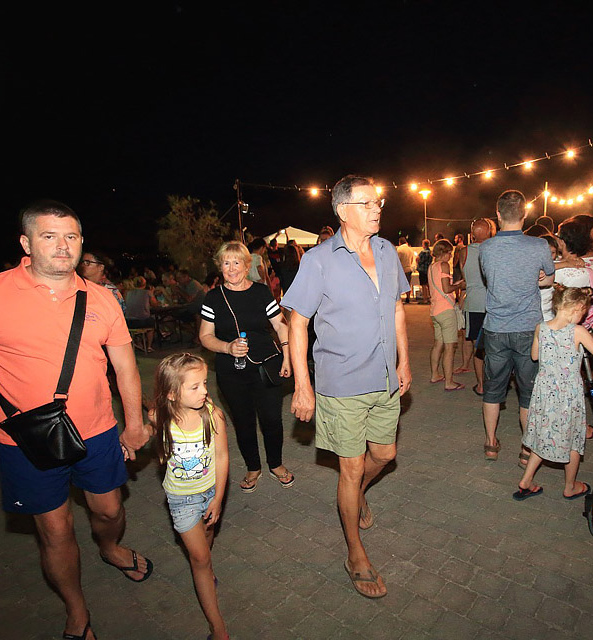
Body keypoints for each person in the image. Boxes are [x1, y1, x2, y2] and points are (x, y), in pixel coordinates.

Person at [0, 200, 152, 640]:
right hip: (27, 439)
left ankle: (109, 547)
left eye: (71, 236)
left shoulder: (101, 298)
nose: (62, 246)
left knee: (110, 510)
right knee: (55, 531)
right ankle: (76, 609)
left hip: (98, 431)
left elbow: (125, 367)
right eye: (49, 236)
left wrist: (134, 423)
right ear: (26, 243)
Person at [282, 175, 411, 599]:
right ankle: (355, 553)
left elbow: (396, 308)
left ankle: (356, 495)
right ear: (342, 211)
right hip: (341, 383)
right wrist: (303, 386)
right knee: (350, 468)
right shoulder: (318, 260)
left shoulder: (387, 251)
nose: (377, 209)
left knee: (385, 455)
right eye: (366, 203)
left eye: (379, 202)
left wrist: (405, 361)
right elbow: (297, 324)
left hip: (385, 378)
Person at [199, 241, 293, 493]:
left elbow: (280, 324)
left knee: (272, 419)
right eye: (226, 263)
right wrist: (227, 347)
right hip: (231, 371)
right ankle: (253, 467)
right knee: (243, 421)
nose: (231, 268)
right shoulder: (213, 298)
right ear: (220, 266)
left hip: (265, 367)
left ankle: (276, 464)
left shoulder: (261, 292)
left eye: (236, 262)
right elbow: (205, 336)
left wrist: (287, 356)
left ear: (246, 265)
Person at [149, 353, 229, 640]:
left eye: (204, 383)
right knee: (200, 559)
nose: (204, 391)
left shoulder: (213, 415)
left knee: (206, 544)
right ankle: (218, 628)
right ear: (172, 393)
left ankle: (206, 570)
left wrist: (218, 499)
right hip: (181, 500)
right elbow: (153, 438)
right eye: (195, 387)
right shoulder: (159, 418)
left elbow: (222, 457)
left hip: (210, 494)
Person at [514, 285, 593, 500]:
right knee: (573, 439)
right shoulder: (578, 331)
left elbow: (534, 356)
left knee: (542, 434)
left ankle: (526, 480)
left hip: (544, 392)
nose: (583, 317)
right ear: (576, 308)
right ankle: (570, 486)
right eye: (583, 313)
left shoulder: (541, 327)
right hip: (567, 395)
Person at [478, 190, 555, 463]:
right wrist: (538, 277)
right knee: (529, 391)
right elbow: (548, 280)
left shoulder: (486, 248)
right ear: (525, 215)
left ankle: (490, 443)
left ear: (498, 215)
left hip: (496, 328)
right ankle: (526, 449)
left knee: (493, 389)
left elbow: (490, 278)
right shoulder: (539, 245)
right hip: (528, 328)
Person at [460, 218, 495, 395]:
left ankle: (481, 385)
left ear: (472, 233)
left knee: (478, 348)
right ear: (490, 232)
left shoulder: (464, 252)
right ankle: (496, 383)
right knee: (495, 347)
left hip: (473, 304)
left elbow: (465, 277)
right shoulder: (495, 249)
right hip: (493, 303)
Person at [427, 239, 466, 390]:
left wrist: (453, 285)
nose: (451, 256)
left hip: (435, 310)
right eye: (450, 253)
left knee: (438, 344)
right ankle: (449, 382)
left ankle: (435, 374)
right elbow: (446, 288)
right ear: (445, 252)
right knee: (450, 347)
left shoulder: (432, 267)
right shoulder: (444, 265)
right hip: (446, 310)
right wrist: (459, 285)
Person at [124, 276, 157, 352]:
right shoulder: (147, 292)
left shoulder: (127, 293)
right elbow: (155, 304)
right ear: (144, 284)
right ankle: (149, 346)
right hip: (142, 320)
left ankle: (139, 343)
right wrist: (152, 293)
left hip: (129, 321)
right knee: (151, 322)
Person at [395, 236, 417, 303]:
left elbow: (397, 260)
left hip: (401, 269)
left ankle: (399, 298)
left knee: (399, 284)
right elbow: (413, 260)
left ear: (400, 242)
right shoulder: (410, 250)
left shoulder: (399, 249)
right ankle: (408, 297)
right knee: (408, 284)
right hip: (409, 269)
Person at [416, 239, 432, 304]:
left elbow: (418, 259)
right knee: (428, 285)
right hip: (428, 270)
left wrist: (417, 262)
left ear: (424, 245)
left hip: (422, 270)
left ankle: (425, 299)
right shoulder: (430, 252)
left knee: (423, 285)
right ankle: (430, 298)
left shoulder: (422, 252)